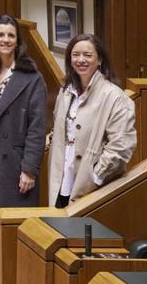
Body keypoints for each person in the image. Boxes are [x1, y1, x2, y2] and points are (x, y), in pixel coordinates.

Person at [48, 34, 137, 208]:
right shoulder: (65, 92)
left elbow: (122, 145)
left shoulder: (115, 97)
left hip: (91, 188)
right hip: (61, 182)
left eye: (88, 55)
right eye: (75, 55)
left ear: (100, 60)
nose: (81, 60)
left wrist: (96, 177)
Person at [0, 14, 47, 211]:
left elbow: (37, 129)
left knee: (11, 224)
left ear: (17, 42)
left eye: (11, 36)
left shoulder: (32, 78)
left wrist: (29, 169)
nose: (5, 40)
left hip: (14, 163)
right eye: (0, 35)